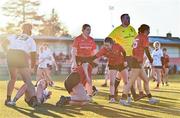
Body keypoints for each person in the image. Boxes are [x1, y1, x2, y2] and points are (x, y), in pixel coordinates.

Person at [108, 13, 142, 101]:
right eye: (127, 18)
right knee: (129, 76)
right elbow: (108, 39)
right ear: (122, 20)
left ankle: (114, 91)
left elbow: (136, 39)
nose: (129, 19)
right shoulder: (117, 30)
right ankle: (133, 95)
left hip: (132, 55)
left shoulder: (132, 28)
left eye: (129, 18)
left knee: (121, 75)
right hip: (123, 55)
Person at [3, 23, 38, 107]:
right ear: (30, 30)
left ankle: (8, 99)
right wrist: (32, 67)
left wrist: (6, 52)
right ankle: (33, 100)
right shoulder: (31, 39)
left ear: (22, 29)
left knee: (13, 78)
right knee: (28, 81)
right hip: (21, 55)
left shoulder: (14, 36)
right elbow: (33, 55)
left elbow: (3, 43)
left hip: (11, 55)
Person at [123, 24, 159, 105]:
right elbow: (146, 50)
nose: (149, 32)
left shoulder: (136, 37)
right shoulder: (144, 37)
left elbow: (133, 49)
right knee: (131, 81)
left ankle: (150, 98)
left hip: (135, 60)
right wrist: (151, 60)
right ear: (145, 30)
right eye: (148, 30)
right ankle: (123, 99)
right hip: (137, 61)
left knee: (146, 80)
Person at [91, 37, 129, 104]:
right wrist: (88, 60)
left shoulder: (117, 45)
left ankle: (123, 98)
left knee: (126, 82)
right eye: (105, 45)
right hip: (112, 65)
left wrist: (125, 61)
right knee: (111, 82)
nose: (106, 47)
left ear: (112, 44)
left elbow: (124, 52)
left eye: (107, 45)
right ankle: (112, 98)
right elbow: (96, 56)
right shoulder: (104, 49)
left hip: (121, 63)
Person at [71, 24, 97, 97]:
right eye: (87, 29)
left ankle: (89, 95)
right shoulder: (78, 39)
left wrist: (95, 63)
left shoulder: (91, 39)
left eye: (90, 29)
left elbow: (95, 52)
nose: (89, 31)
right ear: (83, 30)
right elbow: (73, 51)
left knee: (89, 78)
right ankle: (78, 94)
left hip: (89, 60)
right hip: (79, 59)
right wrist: (74, 63)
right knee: (80, 78)